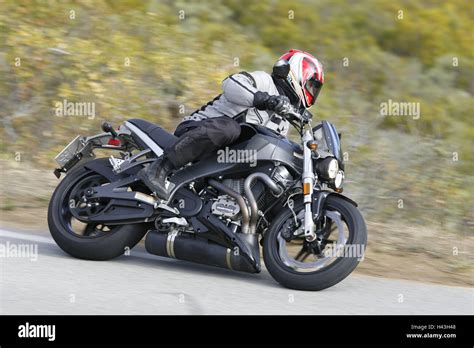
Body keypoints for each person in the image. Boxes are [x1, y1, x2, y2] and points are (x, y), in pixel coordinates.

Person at [139, 49, 324, 199]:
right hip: (196, 130)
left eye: (315, 89)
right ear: (297, 73)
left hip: (224, 156)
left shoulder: (284, 119)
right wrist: (265, 99)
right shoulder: (265, 81)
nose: (312, 92)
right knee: (230, 129)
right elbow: (231, 83)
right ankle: (160, 168)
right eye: (311, 85)